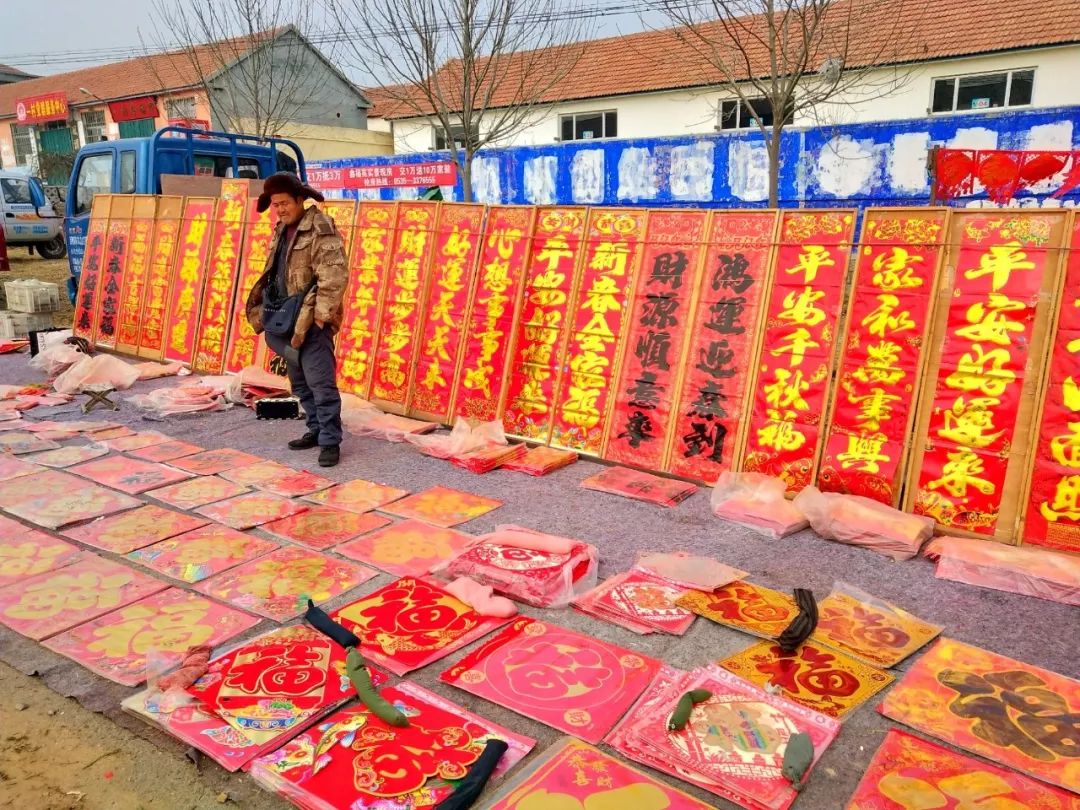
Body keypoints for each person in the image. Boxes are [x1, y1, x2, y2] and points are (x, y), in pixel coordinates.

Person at [245, 172, 348, 467]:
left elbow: (334, 275)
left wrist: (320, 318)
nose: (280, 209)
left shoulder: (319, 227)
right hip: (285, 320)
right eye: (276, 205)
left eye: (285, 203)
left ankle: (330, 441)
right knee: (300, 383)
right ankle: (315, 430)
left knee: (321, 384)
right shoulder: (282, 228)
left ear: (300, 200)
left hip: (310, 320)